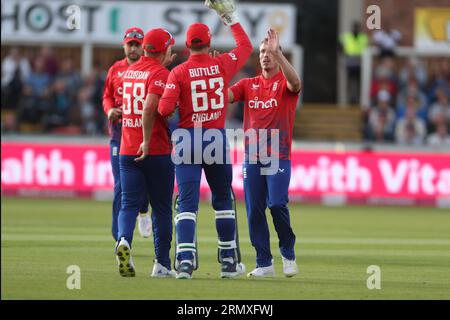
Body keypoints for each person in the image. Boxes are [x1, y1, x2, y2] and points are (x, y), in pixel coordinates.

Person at [158, 0, 253, 279]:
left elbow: (164, 110)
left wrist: (174, 104)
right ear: (208, 42)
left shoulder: (178, 72)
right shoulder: (221, 64)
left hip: (187, 137)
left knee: (186, 202)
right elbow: (245, 47)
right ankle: (228, 263)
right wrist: (230, 17)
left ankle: (185, 263)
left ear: (187, 46)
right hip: (215, 138)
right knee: (223, 199)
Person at [228, 28, 301, 277]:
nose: (265, 56)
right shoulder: (248, 84)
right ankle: (264, 263)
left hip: (278, 155)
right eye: (262, 52)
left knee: (277, 204)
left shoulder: (284, 84)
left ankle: (288, 253)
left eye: (269, 52)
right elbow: (225, 96)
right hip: (252, 156)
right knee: (254, 210)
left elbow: (296, 83)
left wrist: (279, 54)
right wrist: (216, 74)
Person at [115, 28, 177, 278]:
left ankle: (123, 240)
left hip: (126, 149)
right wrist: (148, 141)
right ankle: (161, 264)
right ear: (164, 50)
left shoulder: (130, 71)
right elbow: (151, 107)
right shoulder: (161, 73)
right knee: (161, 208)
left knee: (128, 204)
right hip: (155, 150)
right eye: (170, 47)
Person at [102, 27, 151, 242]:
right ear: (124, 45)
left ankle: (143, 210)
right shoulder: (115, 70)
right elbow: (107, 97)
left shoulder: (149, 69)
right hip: (119, 132)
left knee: (146, 180)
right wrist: (109, 110)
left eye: (137, 45)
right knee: (121, 184)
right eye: (130, 44)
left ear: (143, 47)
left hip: (143, 130)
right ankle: (119, 237)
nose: (133, 48)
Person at [339, 22, 368, 104]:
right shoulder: (346, 37)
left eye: (357, 28)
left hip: (360, 62)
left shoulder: (363, 37)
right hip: (350, 62)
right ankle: (349, 100)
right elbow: (340, 48)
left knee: (359, 83)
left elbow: (366, 48)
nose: (355, 29)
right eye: (354, 28)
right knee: (350, 82)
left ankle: (358, 100)